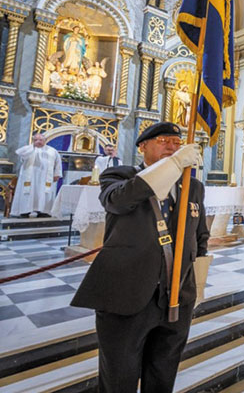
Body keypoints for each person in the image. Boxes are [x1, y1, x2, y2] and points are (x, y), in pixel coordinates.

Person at [71, 122, 208, 392]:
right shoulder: (120, 175)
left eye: (177, 142)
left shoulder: (193, 186)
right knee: (119, 378)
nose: (172, 146)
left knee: (163, 374)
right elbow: (118, 201)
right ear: (143, 147)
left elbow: (200, 236)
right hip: (127, 295)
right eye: (163, 141)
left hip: (177, 296)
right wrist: (174, 163)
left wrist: (196, 285)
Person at [10, 133, 62, 218]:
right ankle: (25, 211)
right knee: (28, 192)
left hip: (45, 178)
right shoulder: (27, 149)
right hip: (30, 177)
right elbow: (21, 157)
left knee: (44, 192)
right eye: (36, 140)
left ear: (45, 141)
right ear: (33, 141)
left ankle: (43, 211)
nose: (38, 142)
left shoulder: (52, 151)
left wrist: (57, 174)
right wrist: (32, 148)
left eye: (40, 140)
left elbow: (58, 163)